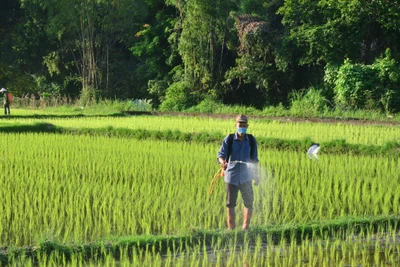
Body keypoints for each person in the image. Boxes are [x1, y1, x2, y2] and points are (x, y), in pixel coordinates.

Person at [218, 114, 260, 230]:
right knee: (230, 203)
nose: (242, 127)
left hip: (246, 176)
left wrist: (256, 175)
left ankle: (245, 227)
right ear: (235, 125)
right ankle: (231, 228)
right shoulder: (229, 139)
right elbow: (221, 155)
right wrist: (223, 162)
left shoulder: (251, 140)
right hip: (232, 176)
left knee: (249, 202)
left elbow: (255, 159)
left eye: (244, 125)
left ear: (247, 126)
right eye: (240, 125)